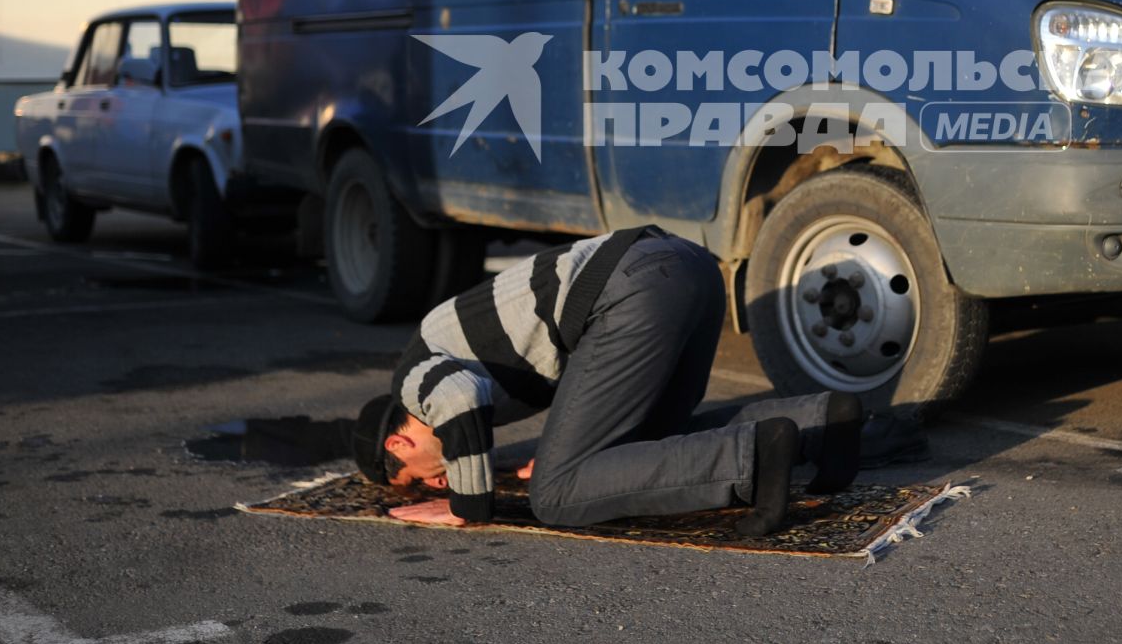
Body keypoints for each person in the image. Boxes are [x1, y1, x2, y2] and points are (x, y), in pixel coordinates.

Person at [353, 225, 862, 536]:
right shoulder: (449, 370)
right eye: (429, 486)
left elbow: (460, 400)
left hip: (630, 290)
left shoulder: (413, 382)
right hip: (685, 269)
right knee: (644, 451)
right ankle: (822, 421)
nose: (435, 482)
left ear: (400, 439)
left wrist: (467, 505)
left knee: (555, 495)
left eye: (417, 476)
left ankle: (754, 452)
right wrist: (557, 447)